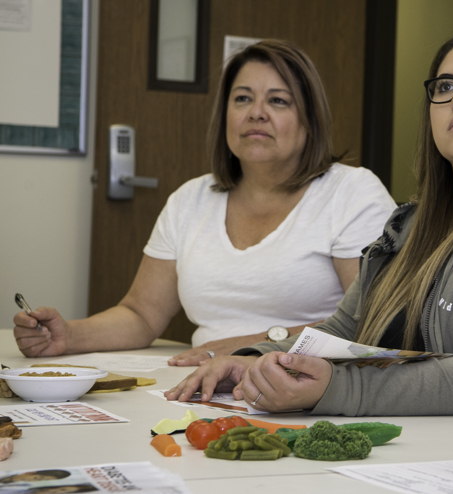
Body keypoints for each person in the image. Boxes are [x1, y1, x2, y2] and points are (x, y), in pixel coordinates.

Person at [164, 25, 453, 416]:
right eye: (445, 86)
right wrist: (253, 360)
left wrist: (335, 389)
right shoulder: (411, 227)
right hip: (440, 452)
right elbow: (343, 331)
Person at [13, 40, 396, 366]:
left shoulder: (352, 192)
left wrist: (255, 344)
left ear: (310, 120)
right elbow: (141, 314)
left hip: (309, 388)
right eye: (242, 98)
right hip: (205, 385)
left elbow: (373, 322)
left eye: (278, 101)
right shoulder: (190, 199)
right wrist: (68, 335)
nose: (256, 113)